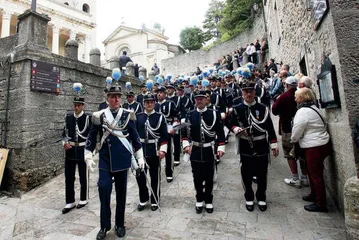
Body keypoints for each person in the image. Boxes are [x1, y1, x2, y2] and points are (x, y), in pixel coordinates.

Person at [85, 85, 144, 239]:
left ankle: (119, 224)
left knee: (121, 194)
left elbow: (135, 138)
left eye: (118, 96)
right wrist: (88, 155)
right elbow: (91, 138)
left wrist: (140, 157)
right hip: (105, 159)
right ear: (107, 98)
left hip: (122, 160)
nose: (116, 99)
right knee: (103, 189)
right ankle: (104, 226)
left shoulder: (127, 115)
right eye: (113, 96)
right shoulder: (99, 115)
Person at [229, 79, 279, 212]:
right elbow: (230, 123)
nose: (248, 94)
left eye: (250, 91)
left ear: (254, 92)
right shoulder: (237, 109)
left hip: (261, 143)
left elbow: (269, 127)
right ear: (242, 93)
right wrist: (235, 129)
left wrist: (273, 144)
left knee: (262, 173)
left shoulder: (263, 108)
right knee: (246, 173)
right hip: (245, 144)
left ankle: (261, 197)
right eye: (245, 91)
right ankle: (249, 197)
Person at [182, 90, 225, 214]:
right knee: (197, 177)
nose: (199, 101)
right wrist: (185, 145)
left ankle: (209, 200)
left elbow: (220, 132)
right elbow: (185, 132)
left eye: (201, 98)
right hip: (195, 149)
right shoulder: (190, 114)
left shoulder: (214, 114)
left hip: (209, 149)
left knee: (209, 176)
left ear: (206, 100)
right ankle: (199, 199)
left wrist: (221, 147)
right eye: (197, 99)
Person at [291, 87, 331, 212]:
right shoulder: (314, 108)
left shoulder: (303, 112)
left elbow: (297, 128)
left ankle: (321, 203)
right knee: (312, 171)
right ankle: (314, 194)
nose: (295, 99)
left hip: (313, 145)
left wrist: (293, 139)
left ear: (302, 98)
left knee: (315, 175)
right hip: (321, 142)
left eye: (296, 96)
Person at [272, 76, 309, 188]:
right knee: (302, 153)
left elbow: (274, 110)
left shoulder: (283, 97)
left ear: (286, 85)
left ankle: (295, 178)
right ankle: (304, 177)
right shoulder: (302, 95)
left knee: (290, 153)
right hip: (303, 129)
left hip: (288, 128)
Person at [135, 93, 169, 211]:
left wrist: (163, 150)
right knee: (140, 177)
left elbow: (164, 136)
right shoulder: (138, 117)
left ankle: (155, 199)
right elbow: (134, 135)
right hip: (140, 151)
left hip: (154, 150)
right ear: (143, 104)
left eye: (151, 102)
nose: (149, 104)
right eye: (147, 102)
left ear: (154, 103)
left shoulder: (160, 117)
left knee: (155, 176)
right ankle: (143, 198)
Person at [61, 94, 92, 214]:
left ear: (83, 106)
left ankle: (83, 198)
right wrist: (64, 142)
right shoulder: (68, 117)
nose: (76, 107)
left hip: (83, 149)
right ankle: (70, 201)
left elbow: (91, 135)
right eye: (75, 105)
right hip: (70, 150)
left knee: (83, 176)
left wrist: (90, 150)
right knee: (69, 176)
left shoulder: (87, 118)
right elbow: (64, 133)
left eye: (79, 105)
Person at [156, 86, 179, 182]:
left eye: (161, 92)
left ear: (165, 94)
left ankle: (169, 172)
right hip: (156, 131)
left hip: (167, 128)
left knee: (168, 151)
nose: (159, 94)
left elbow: (176, 117)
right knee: (157, 152)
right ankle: (157, 172)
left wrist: (173, 127)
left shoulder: (170, 103)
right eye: (158, 92)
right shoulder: (155, 105)